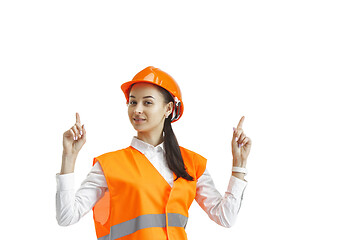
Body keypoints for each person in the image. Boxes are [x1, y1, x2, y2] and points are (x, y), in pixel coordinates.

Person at [56, 66, 252, 240]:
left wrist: (239, 164)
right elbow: (67, 217)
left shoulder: (191, 163)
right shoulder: (109, 165)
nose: (137, 109)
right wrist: (68, 157)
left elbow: (225, 217)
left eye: (147, 103)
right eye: (132, 102)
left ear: (168, 109)